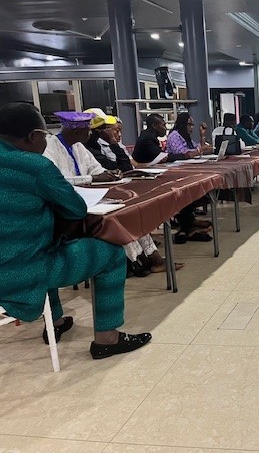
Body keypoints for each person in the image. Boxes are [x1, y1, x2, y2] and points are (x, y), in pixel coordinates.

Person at [0, 103, 151, 359]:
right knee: (111, 253)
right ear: (33, 136)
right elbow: (76, 209)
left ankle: (56, 322)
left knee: (43, 244)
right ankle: (108, 339)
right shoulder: (34, 166)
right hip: (20, 272)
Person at [44, 111, 174, 276]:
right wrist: (92, 177)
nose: (91, 133)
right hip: (68, 206)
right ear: (76, 131)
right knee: (115, 219)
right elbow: (57, 181)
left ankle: (151, 256)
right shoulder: (50, 147)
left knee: (128, 212)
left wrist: (110, 174)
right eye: (88, 130)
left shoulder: (78, 147)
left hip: (91, 198)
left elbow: (97, 169)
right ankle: (137, 260)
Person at [132, 114, 212, 244]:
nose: (191, 127)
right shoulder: (165, 137)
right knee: (182, 188)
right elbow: (170, 155)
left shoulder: (155, 137)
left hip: (155, 173)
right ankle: (186, 222)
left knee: (189, 185)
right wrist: (190, 154)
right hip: (146, 178)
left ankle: (188, 221)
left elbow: (195, 149)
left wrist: (201, 139)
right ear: (154, 126)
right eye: (189, 124)